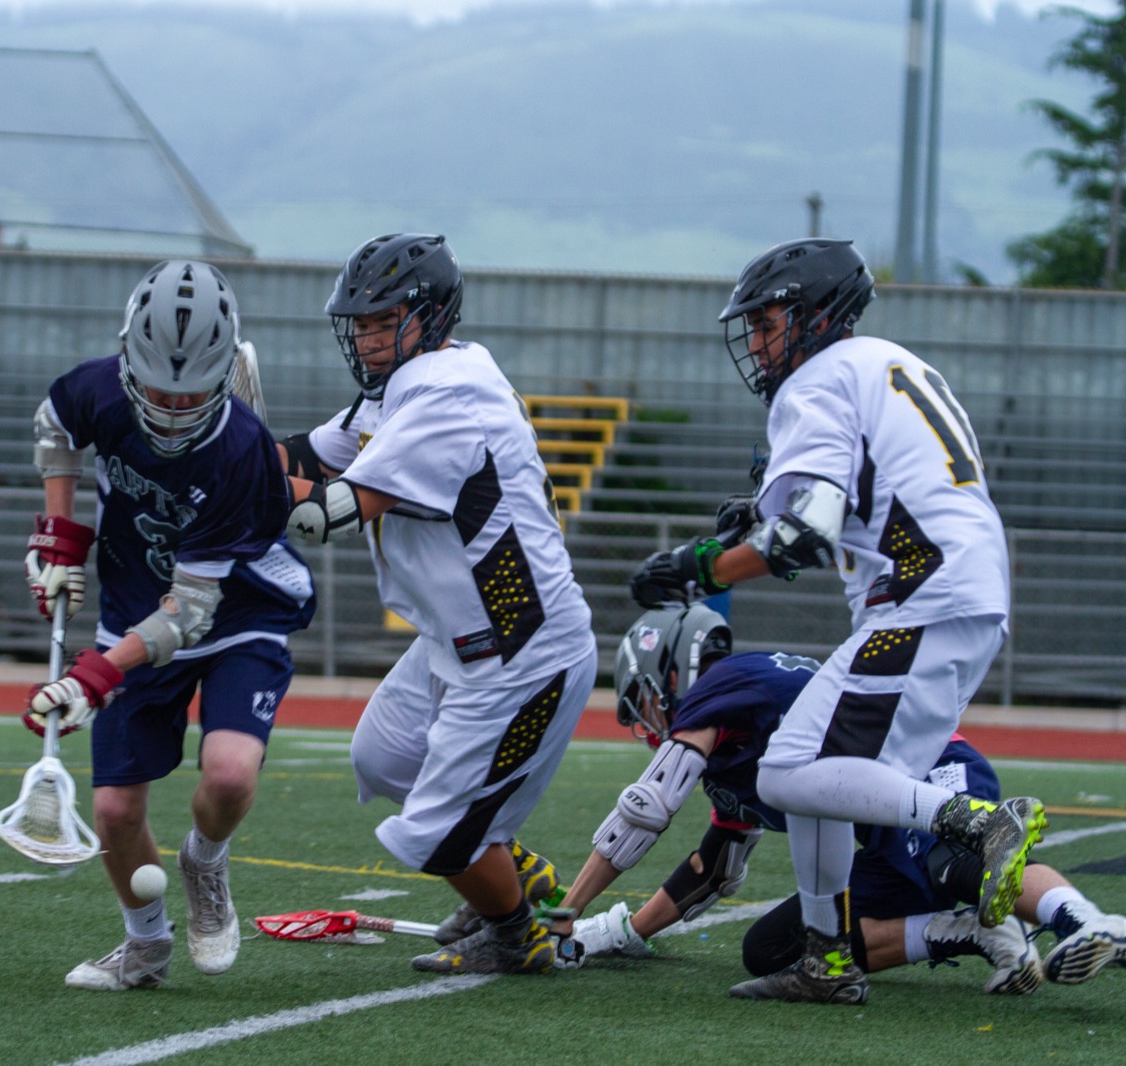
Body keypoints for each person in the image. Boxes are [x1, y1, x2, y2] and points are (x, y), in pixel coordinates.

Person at [629, 237, 1047, 1004]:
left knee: (786, 770)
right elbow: (859, 485)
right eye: (751, 327)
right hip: (960, 589)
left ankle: (976, 824)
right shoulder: (889, 362)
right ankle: (825, 958)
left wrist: (696, 565)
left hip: (923, 592)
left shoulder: (814, 382)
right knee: (816, 772)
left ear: (818, 315)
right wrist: (757, 513)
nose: (757, 342)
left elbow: (802, 537)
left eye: (769, 322)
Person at [280, 233, 598, 975]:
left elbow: (325, 510)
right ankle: (514, 876)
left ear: (430, 315)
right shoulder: (407, 385)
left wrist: (233, 488)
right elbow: (308, 455)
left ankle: (517, 932)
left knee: (437, 837)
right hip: (456, 642)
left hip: (521, 654)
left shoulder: (448, 392)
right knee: (385, 756)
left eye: (382, 318)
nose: (365, 335)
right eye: (358, 321)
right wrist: (218, 447)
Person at [552, 605, 1125, 994]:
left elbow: (645, 807)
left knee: (951, 862)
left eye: (642, 702)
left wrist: (568, 915)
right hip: (876, 827)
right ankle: (971, 931)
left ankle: (1089, 922)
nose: (645, 725)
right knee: (775, 949)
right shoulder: (732, 748)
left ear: (669, 671)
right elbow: (712, 872)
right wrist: (617, 933)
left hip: (928, 763)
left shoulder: (723, 684)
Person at [21, 260, 315, 991]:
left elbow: (190, 612)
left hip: (235, 609)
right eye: (155, 387)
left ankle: (205, 863)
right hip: (131, 603)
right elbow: (56, 429)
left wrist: (93, 675)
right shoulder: (97, 389)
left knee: (229, 771)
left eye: (189, 391)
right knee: (115, 809)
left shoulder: (240, 447)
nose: (171, 404)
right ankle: (145, 945)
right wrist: (58, 532)